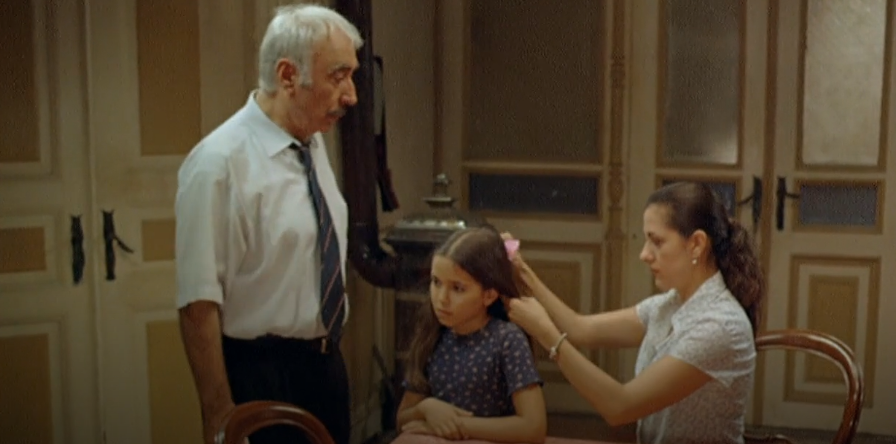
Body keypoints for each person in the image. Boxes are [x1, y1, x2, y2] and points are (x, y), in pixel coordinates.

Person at [174, 4, 362, 444]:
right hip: (260, 373)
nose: (351, 96)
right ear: (288, 75)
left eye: (352, 76)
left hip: (325, 367)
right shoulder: (218, 164)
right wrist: (218, 414)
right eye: (338, 76)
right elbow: (197, 302)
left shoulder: (311, 142)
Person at [504, 181, 765, 444]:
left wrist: (546, 335)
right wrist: (522, 271)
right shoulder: (670, 304)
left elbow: (620, 407)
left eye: (657, 241)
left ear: (696, 244)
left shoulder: (720, 326)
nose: (644, 254)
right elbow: (581, 329)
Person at [396, 227, 547, 443]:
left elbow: (533, 427)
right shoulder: (433, 333)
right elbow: (402, 420)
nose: (441, 299)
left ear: (489, 295)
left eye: (457, 288)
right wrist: (426, 408)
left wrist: (456, 425)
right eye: (436, 282)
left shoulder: (507, 340)